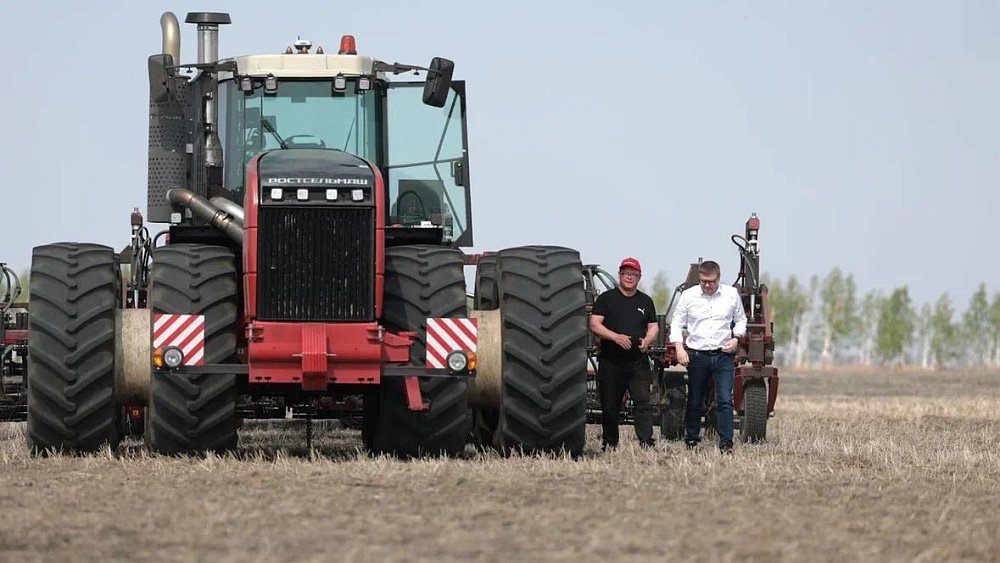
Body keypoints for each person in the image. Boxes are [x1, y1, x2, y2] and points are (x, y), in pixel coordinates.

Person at [669, 260, 747, 454]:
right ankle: (692, 439)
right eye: (703, 281)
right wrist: (679, 348)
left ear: (718, 278)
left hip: (723, 356)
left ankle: (726, 443)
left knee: (724, 400)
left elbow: (741, 320)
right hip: (697, 356)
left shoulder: (731, 295)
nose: (707, 285)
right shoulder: (689, 296)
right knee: (695, 399)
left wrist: (737, 338)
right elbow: (677, 323)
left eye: (711, 281)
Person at [589, 257, 658, 450]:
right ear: (619, 275)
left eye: (633, 274)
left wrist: (648, 340)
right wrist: (615, 337)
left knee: (643, 402)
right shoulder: (606, 299)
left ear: (639, 277)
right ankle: (610, 443)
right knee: (610, 405)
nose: (629, 277)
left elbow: (653, 327)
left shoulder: (645, 301)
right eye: (626, 274)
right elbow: (594, 324)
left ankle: (646, 441)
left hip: (638, 361)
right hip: (612, 360)